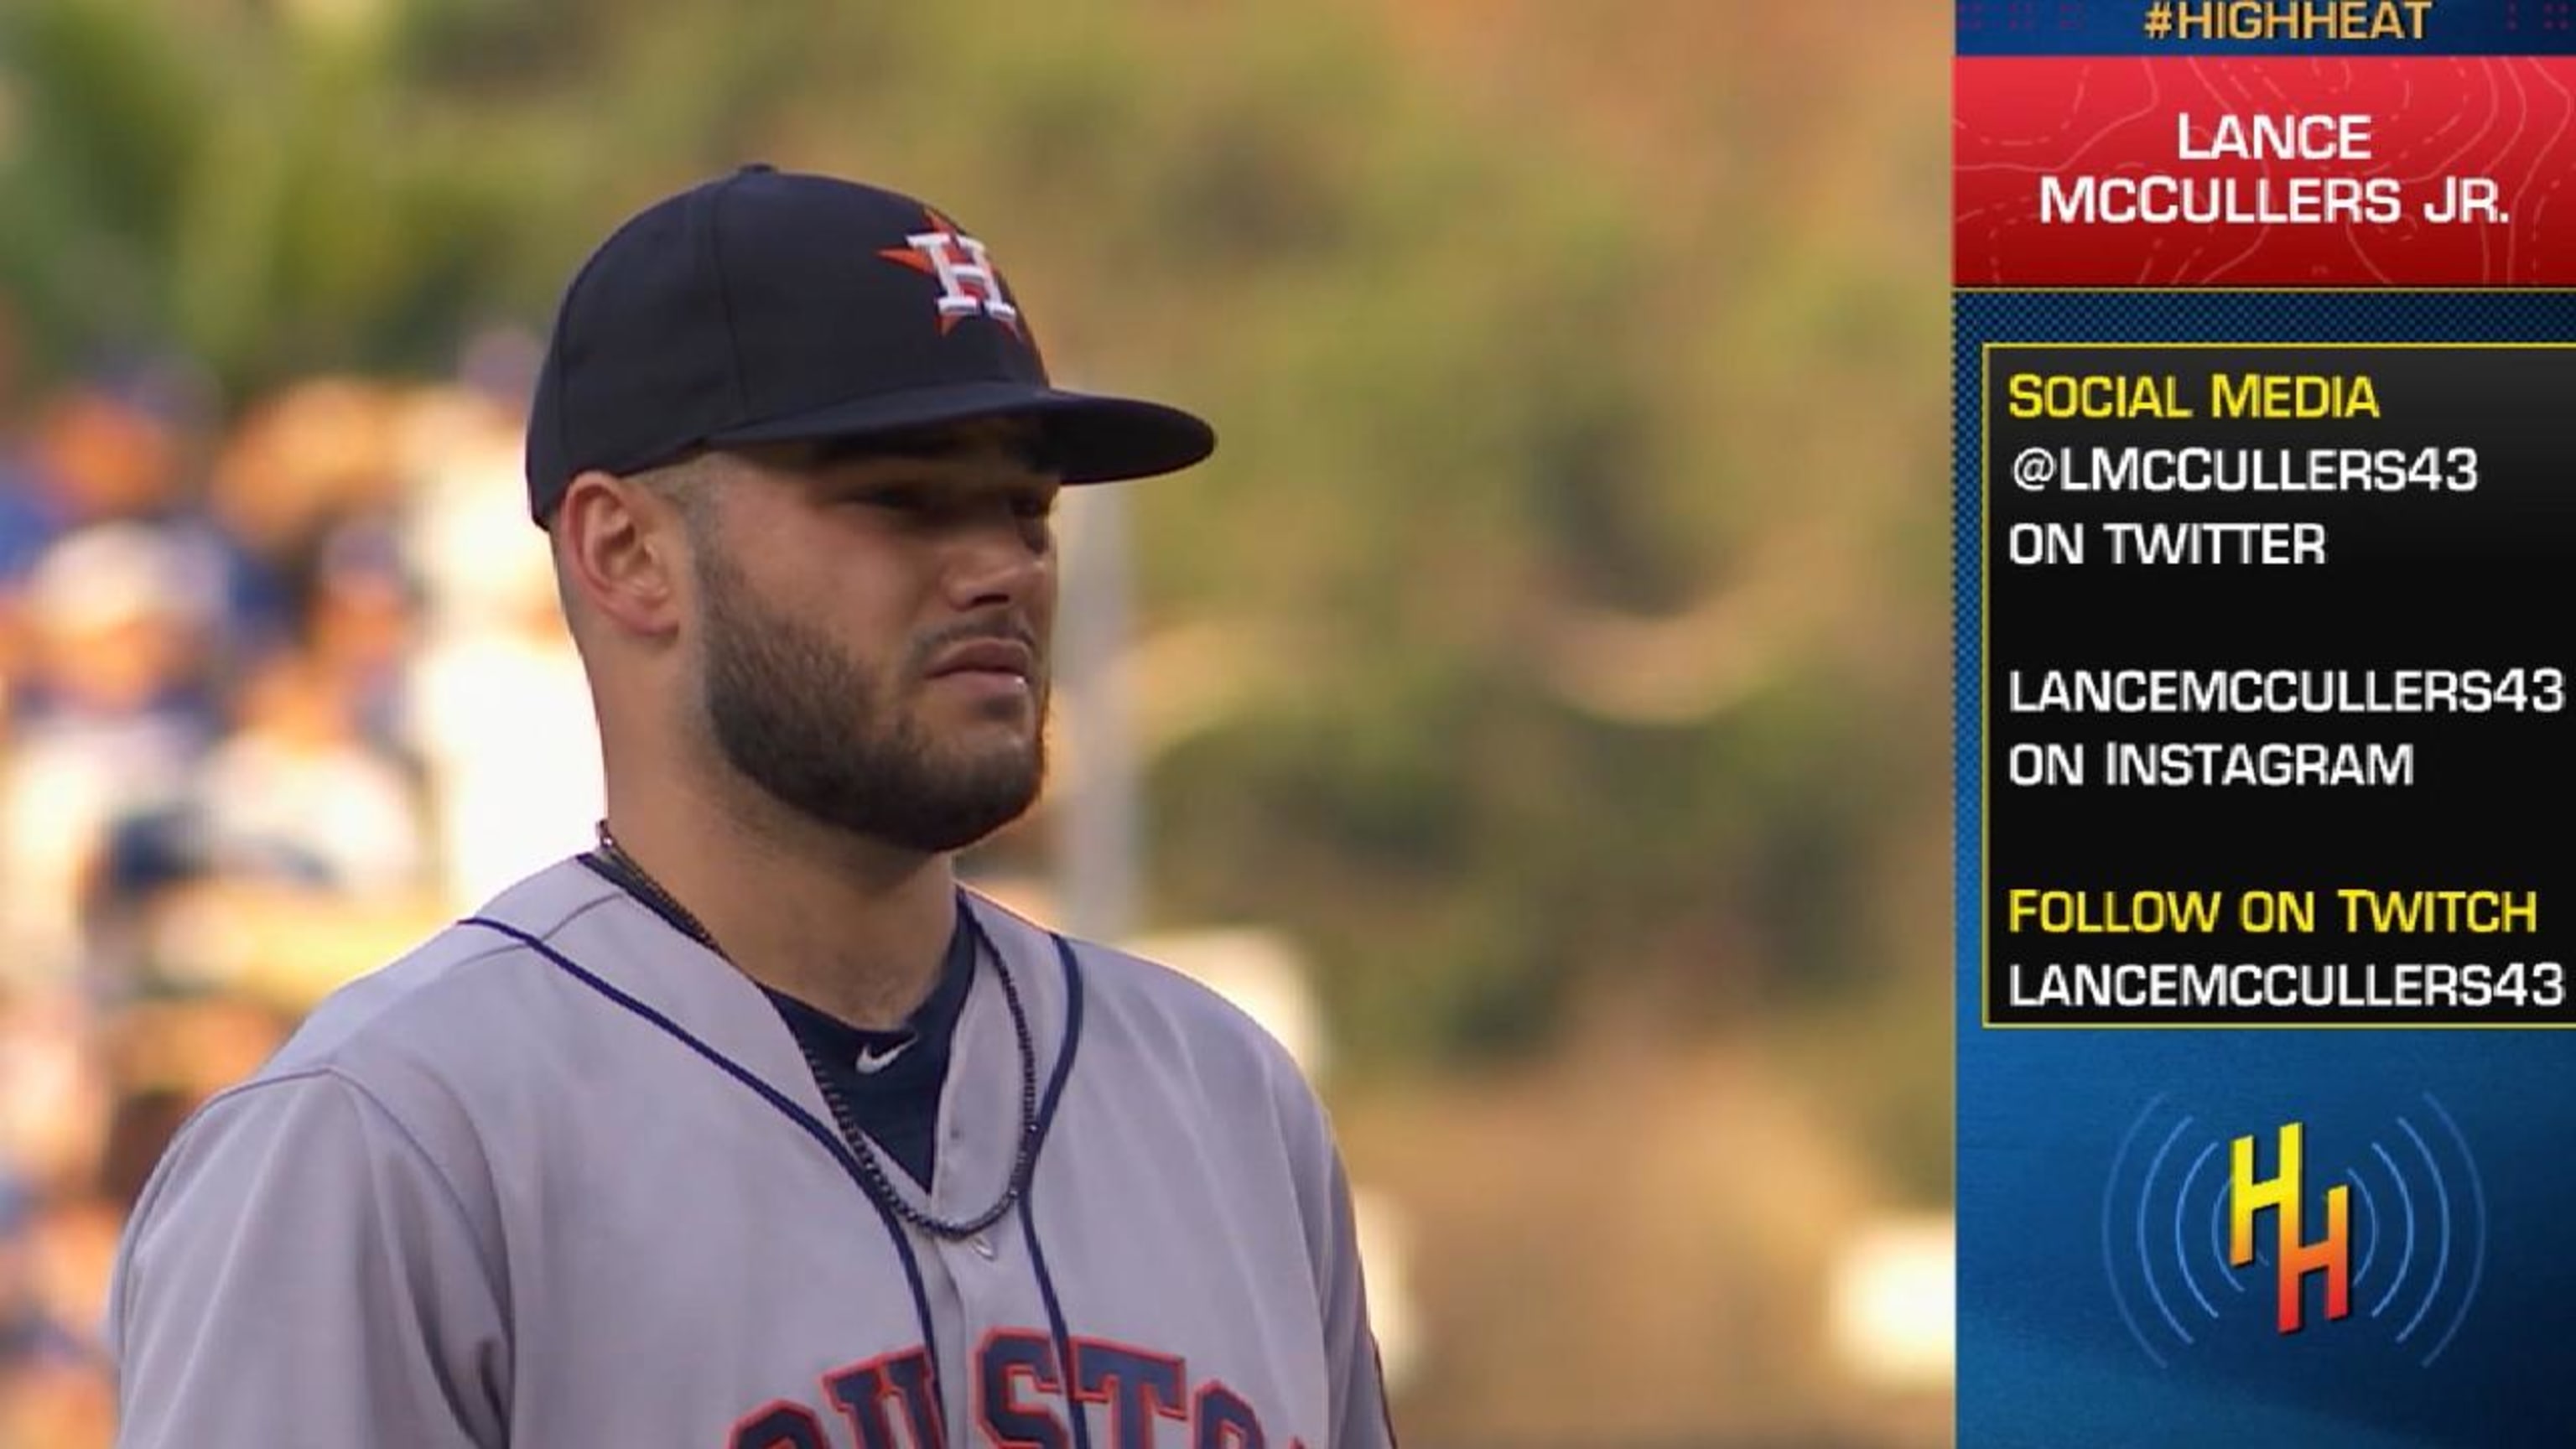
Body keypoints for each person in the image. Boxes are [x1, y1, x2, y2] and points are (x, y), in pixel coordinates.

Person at [108, 164, 1399, 1449]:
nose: (1003, 566)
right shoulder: (387, 1143)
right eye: (904, 498)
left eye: (1025, 508)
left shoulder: (1227, 1105)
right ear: (627, 553)